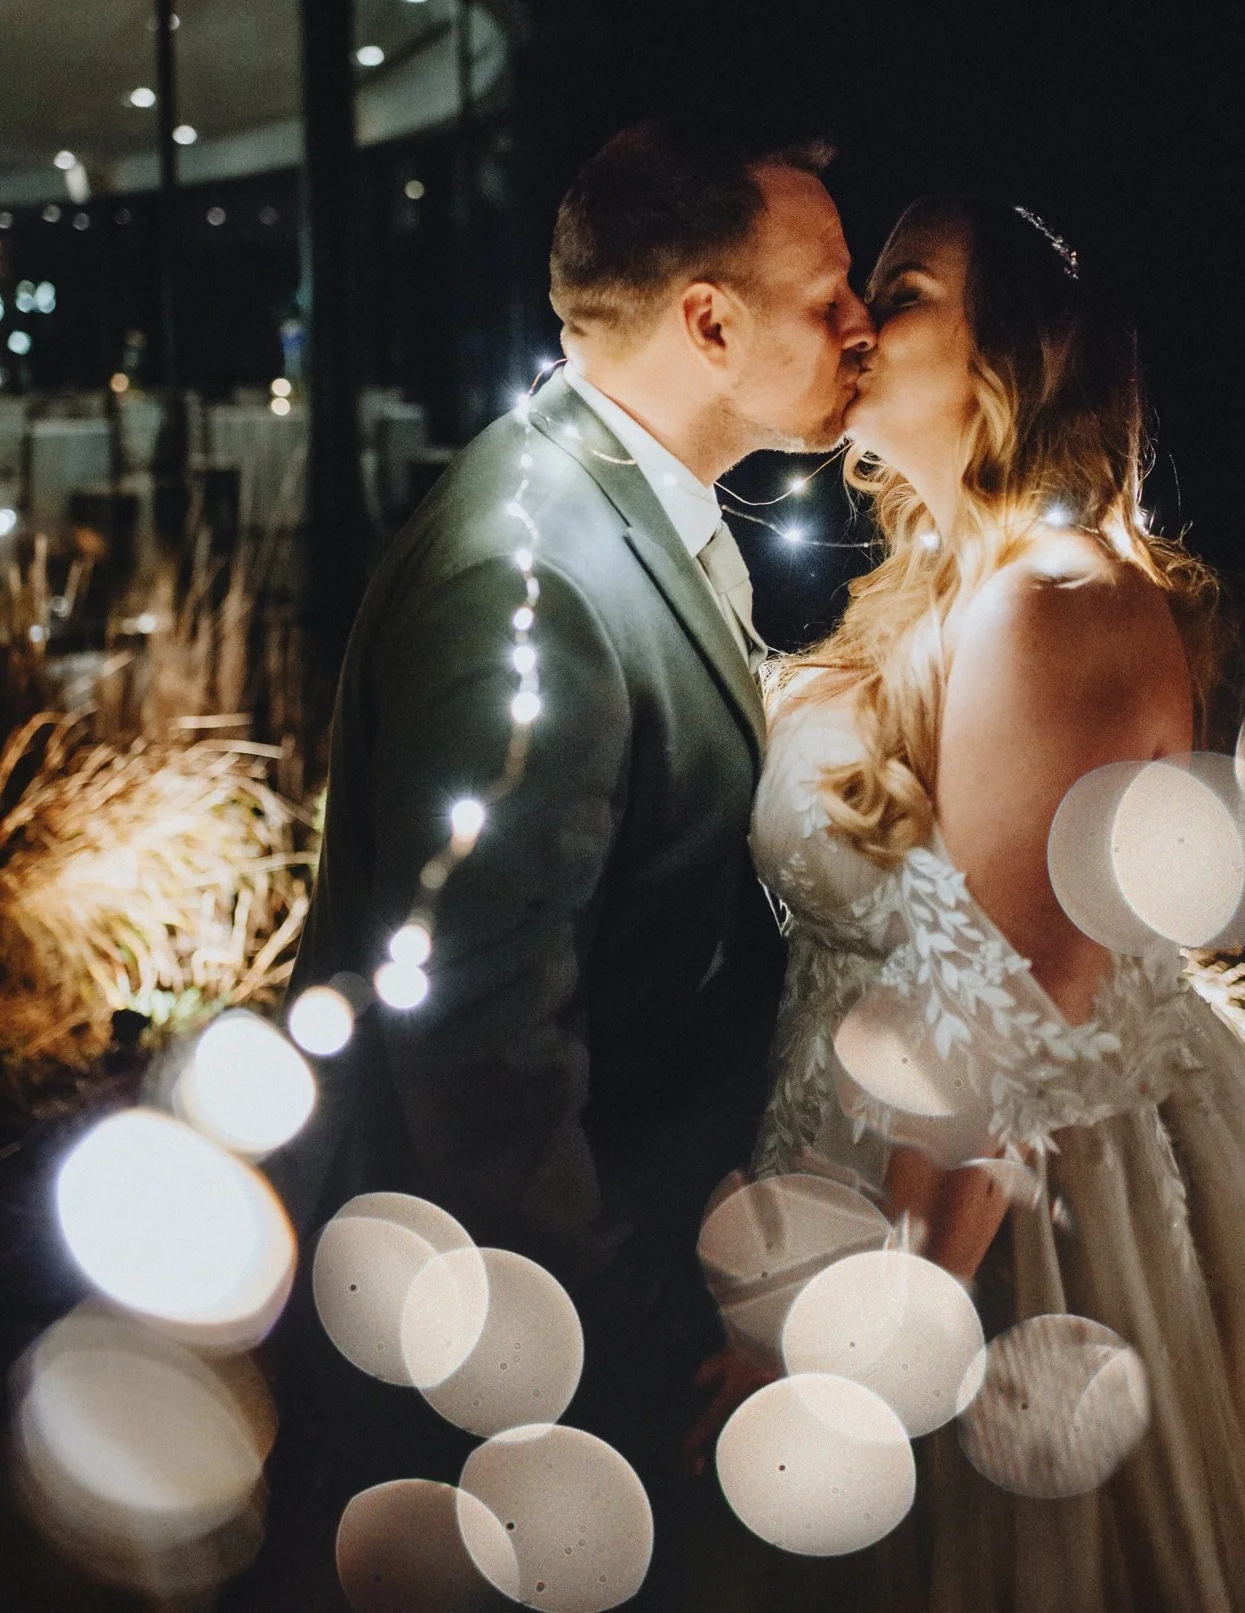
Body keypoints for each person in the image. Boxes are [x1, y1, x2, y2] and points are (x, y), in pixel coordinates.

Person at [262, 116, 874, 1608]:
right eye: (829, 296)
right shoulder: (530, 581)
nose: (863, 327)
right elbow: (480, 1033)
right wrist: (627, 1334)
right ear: (708, 323)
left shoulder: (603, 500)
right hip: (497, 1334)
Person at [715, 196, 1245, 1612]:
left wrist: (875, 1348)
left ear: (1016, 356)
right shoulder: (967, 588)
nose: (862, 321)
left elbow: (1001, 1010)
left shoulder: (1050, 600)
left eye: (906, 290)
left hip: (1008, 1233)